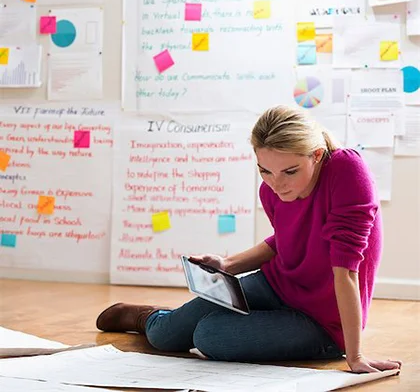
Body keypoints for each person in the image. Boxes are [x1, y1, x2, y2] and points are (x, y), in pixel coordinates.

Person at [96, 106, 402, 373]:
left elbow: (346, 271)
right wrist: (228, 264)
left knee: (208, 336)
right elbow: (285, 242)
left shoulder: (347, 171)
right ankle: (150, 316)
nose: (276, 183)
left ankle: (204, 320)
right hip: (278, 285)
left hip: (322, 321)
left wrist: (355, 355)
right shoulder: (271, 190)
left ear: (317, 155)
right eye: (264, 170)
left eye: (289, 171)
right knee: (164, 336)